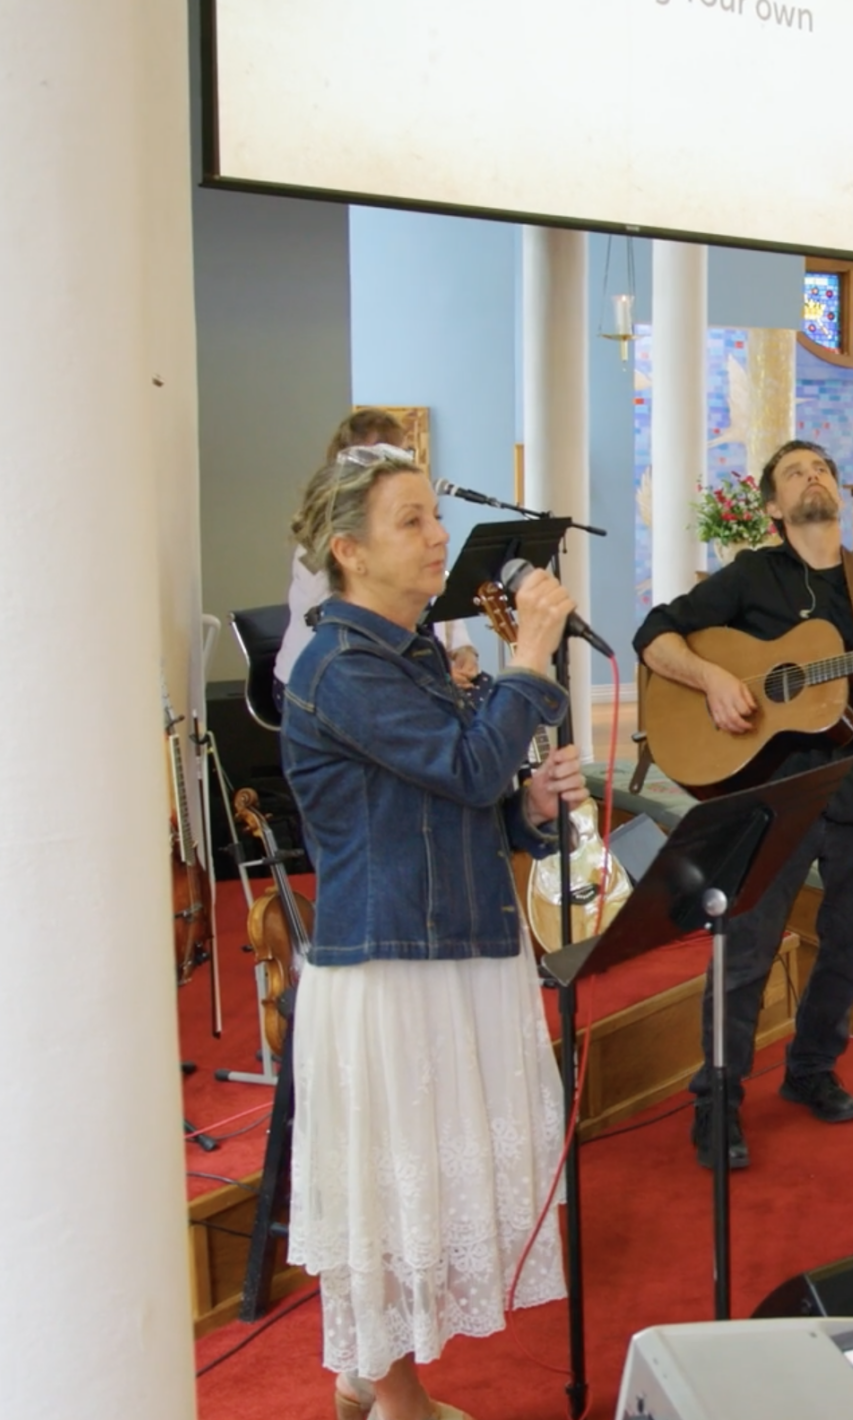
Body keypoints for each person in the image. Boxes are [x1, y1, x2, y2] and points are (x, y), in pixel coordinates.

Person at [278, 446, 590, 1420]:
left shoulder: (409, 653)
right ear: (348, 551)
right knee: (390, 1188)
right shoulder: (336, 666)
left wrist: (527, 802)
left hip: (451, 943)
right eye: (409, 520)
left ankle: (370, 1373)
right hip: (386, 966)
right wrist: (529, 664)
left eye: (434, 516)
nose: (437, 537)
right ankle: (388, 1389)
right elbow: (459, 765)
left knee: (428, 1174)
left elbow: (468, 793)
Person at [632, 439, 853, 1170]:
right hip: (769, 799)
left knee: (849, 953)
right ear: (774, 508)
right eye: (795, 472)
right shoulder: (752, 577)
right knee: (745, 955)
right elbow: (654, 633)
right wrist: (715, 679)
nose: (814, 474)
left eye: (823, 466)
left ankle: (811, 1068)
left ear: (836, 492)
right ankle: (717, 1101)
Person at [275, 409, 480, 692]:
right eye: (410, 522)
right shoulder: (318, 548)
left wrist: (461, 648)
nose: (440, 536)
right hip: (321, 684)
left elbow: (429, 594)